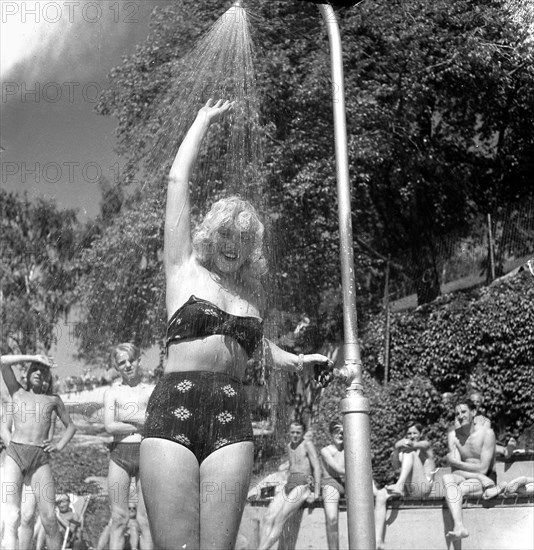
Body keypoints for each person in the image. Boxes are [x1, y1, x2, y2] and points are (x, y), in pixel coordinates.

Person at [139, 98, 333, 550]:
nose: (233, 244)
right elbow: (176, 181)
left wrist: (299, 358)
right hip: (174, 409)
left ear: (252, 249)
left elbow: (257, 348)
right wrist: (202, 120)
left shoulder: (249, 298)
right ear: (210, 234)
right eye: (226, 233)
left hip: (231, 415)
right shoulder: (183, 269)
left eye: (243, 238)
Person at [0, 354, 77, 550]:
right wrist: (34, 357)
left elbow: (71, 427)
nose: (38, 373)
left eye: (43, 370)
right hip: (15, 454)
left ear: (49, 378)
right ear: (27, 374)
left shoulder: (53, 399)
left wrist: (58, 445)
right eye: (34, 368)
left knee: (49, 518)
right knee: (13, 516)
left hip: (40, 459)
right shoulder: (17, 392)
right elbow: (2, 360)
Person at [104, 344, 153, 550]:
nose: (127, 365)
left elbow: (155, 423)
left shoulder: (152, 390)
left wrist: (125, 421)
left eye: (131, 360)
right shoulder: (112, 392)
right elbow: (109, 426)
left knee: (144, 521)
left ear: (138, 360)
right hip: (119, 455)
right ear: (116, 367)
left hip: (146, 454)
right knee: (119, 518)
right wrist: (140, 421)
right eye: (122, 362)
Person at [258, 421, 322, 550]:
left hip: (303, 484)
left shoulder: (307, 444)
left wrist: (316, 492)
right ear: (289, 432)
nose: (295, 435)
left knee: (280, 518)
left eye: (298, 432)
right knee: (268, 517)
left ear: (303, 433)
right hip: (290, 483)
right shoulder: (289, 446)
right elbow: (293, 466)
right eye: (292, 432)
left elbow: (317, 468)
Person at [442, 396, 497, 541]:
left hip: (486, 481)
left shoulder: (487, 434)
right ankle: (459, 527)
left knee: (461, 489)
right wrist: (477, 474)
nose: (460, 416)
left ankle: (459, 526)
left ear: (473, 412)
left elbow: (483, 469)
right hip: (472, 477)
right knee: (447, 478)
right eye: (457, 413)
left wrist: (460, 465)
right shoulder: (453, 436)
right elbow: (455, 472)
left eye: (463, 412)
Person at [320, 420, 345, 550]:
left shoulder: (349, 450)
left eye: (343, 431)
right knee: (332, 518)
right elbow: (338, 469)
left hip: (348, 484)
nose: (340, 434)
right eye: (336, 431)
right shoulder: (326, 451)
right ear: (331, 434)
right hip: (331, 483)